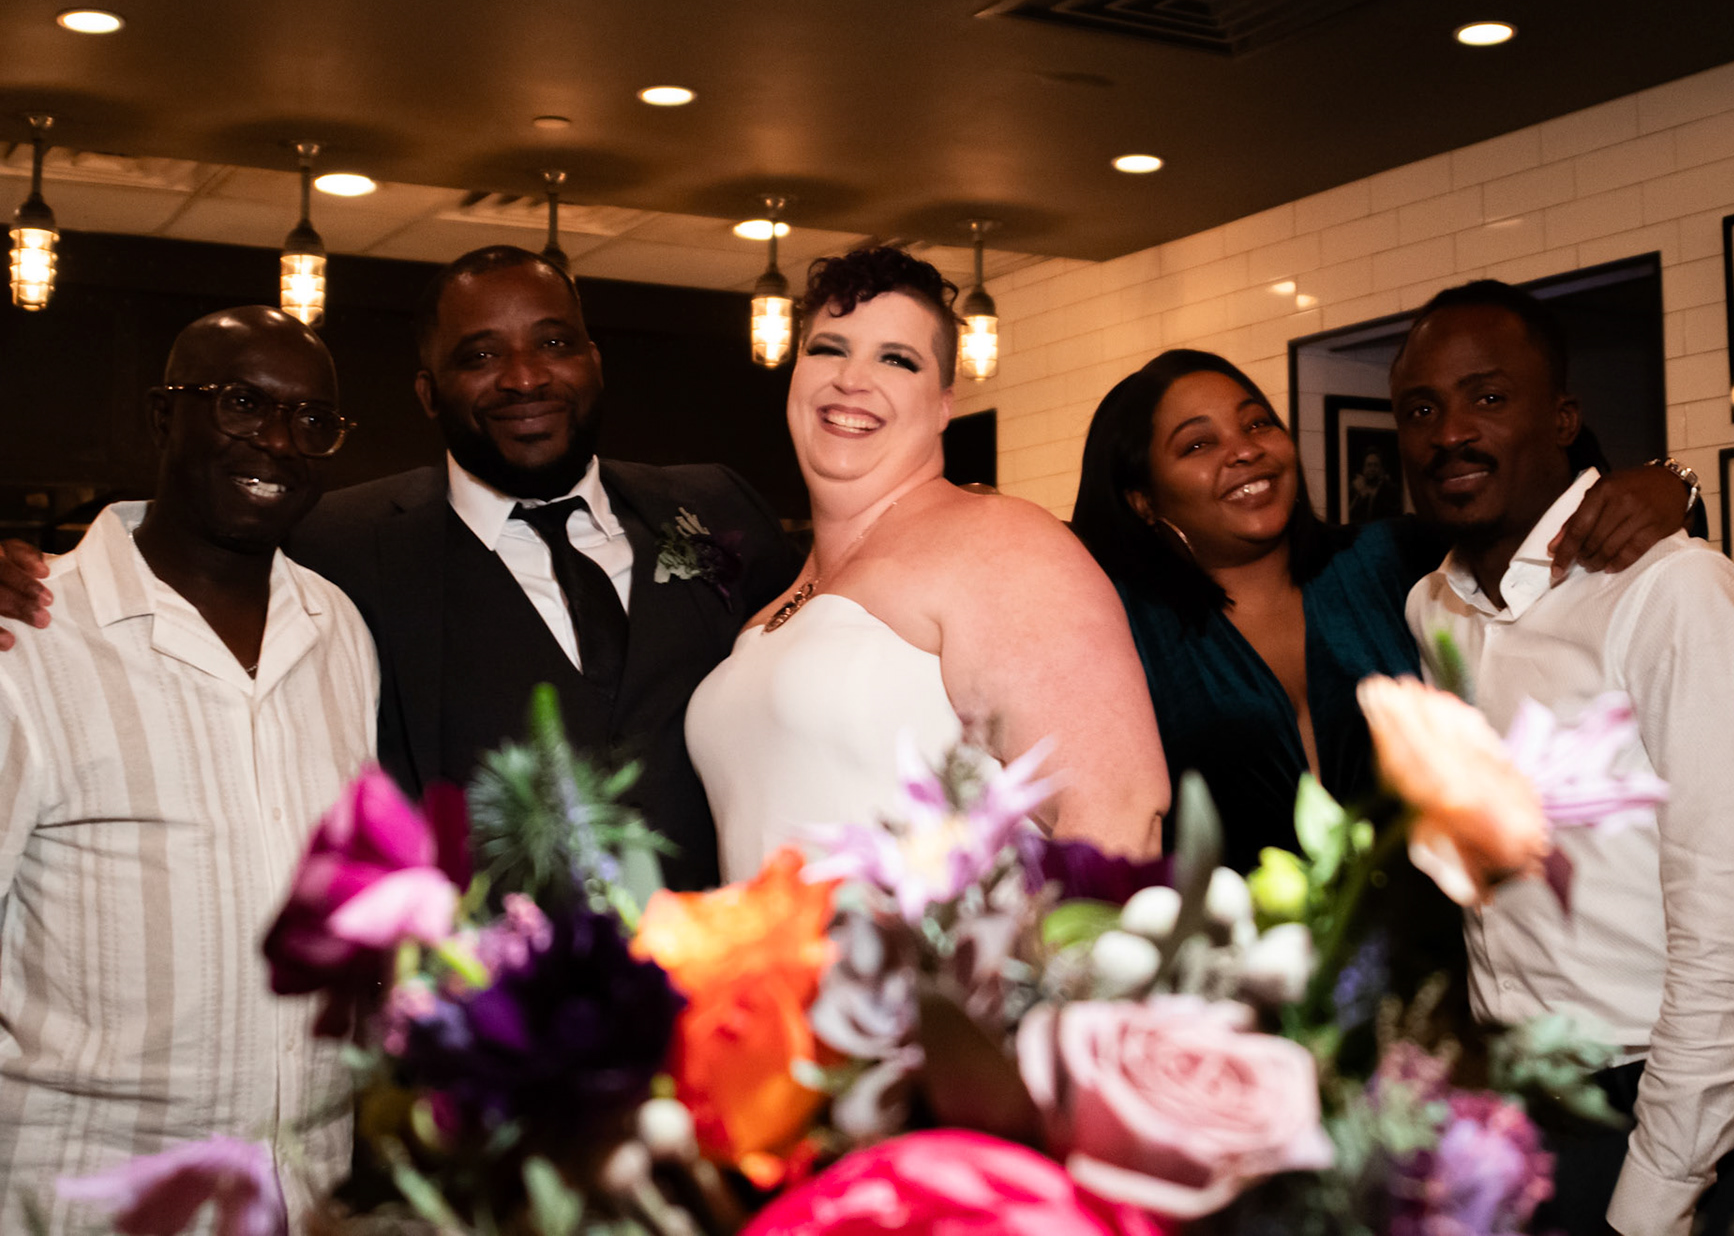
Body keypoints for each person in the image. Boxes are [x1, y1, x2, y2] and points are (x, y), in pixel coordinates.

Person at [0, 246, 800, 891]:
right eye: (479, 355)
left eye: (554, 343)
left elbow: (823, 645)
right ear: (427, 392)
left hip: (715, 999)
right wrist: (25, 578)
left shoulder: (713, 506)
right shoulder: (337, 542)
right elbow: (187, 556)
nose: (525, 376)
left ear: (595, 359)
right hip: (477, 1017)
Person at [1392, 280, 1734, 1236]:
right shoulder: (1435, 607)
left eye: (1488, 397)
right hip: (1528, 1108)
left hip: (1685, 1110)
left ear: (1562, 419)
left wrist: (1658, 1187)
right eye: (1420, 410)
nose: (1449, 432)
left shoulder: (1672, 593)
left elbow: (1733, 932)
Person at [0, 308, 376, 1230]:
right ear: (163, 415)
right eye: (242, 404)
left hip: (304, 1197)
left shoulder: (340, 630)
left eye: (311, 420)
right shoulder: (28, 638)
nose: (278, 442)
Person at [1069, 349, 1691, 874]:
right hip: (1237, 967)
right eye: (1199, 444)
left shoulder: (1391, 560)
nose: (1244, 451)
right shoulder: (1120, 627)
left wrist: (1674, 485)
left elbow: (1551, 522)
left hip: (1438, 957)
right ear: (1142, 499)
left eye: (1257, 424)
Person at [686, 248, 1167, 881]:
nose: (852, 379)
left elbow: (1120, 816)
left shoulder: (999, 541)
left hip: (951, 949)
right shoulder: (780, 601)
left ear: (944, 404)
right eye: (828, 349)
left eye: (896, 359)